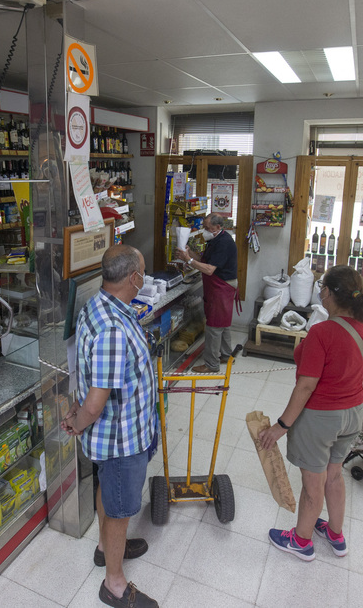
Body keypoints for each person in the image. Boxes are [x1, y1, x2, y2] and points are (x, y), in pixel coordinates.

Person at [61, 245, 159, 608]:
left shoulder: (99, 305)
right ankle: (114, 584)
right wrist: (78, 421)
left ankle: (105, 547)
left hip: (121, 432)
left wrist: (78, 413)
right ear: (133, 277)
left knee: (108, 489)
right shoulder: (113, 328)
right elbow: (96, 402)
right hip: (120, 439)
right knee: (119, 510)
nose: (144, 277)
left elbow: (86, 368)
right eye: (143, 272)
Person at [258, 266, 363, 561]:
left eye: (322, 286)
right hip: (352, 414)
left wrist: (281, 426)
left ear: (328, 293)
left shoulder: (322, 332)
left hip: (321, 417)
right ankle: (335, 535)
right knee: (334, 476)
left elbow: (306, 386)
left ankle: (301, 541)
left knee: (313, 484)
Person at [174, 213, 238, 373]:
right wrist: (188, 254)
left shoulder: (224, 243)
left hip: (222, 287)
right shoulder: (214, 240)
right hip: (218, 287)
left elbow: (209, 269)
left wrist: (188, 260)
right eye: (204, 227)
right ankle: (226, 355)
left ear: (218, 227)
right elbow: (204, 261)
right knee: (223, 325)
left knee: (214, 327)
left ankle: (211, 365)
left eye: (207, 228)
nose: (204, 231)